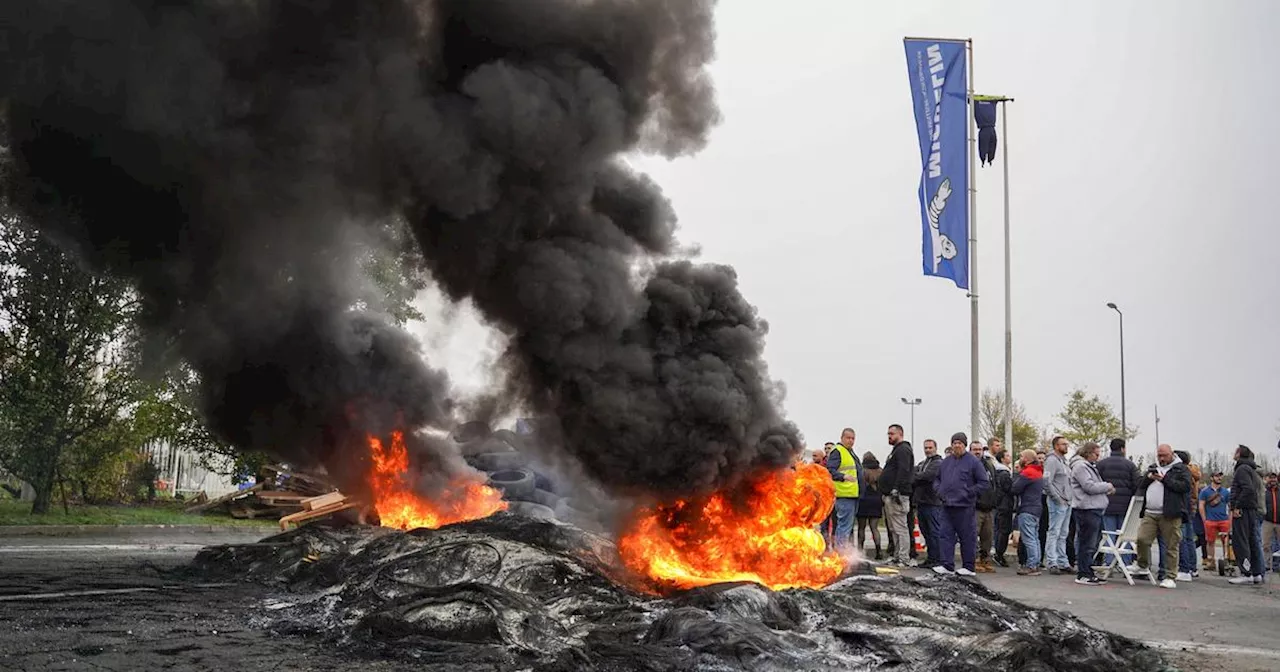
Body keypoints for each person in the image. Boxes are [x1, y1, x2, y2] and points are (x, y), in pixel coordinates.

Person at [1134, 444, 1192, 588]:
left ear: (1171, 454)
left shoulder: (1181, 469)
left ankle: (1170, 576)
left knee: (1171, 545)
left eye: (1164, 455)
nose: (1161, 458)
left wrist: (1164, 479)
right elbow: (1140, 485)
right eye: (1159, 455)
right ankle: (1142, 565)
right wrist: (1149, 477)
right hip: (1150, 512)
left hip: (1170, 513)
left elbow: (1184, 487)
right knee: (1142, 539)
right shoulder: (1154, 466)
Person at [932, 432, 991, 576]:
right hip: (946, 506)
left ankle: (969, 567)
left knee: (967, 537)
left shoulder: (973, 462)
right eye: (954, 443)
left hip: (965, 506)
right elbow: (936, 480)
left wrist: (968, 492)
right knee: (945, 535)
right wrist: (939, 490)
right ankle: (947, 565)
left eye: (960, 443)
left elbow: (983, 482)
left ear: (964, 445)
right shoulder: (945, 462)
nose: (957, 445)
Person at [1068, 442, 1115, 586]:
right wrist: (1107, 486)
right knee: (1087, 543)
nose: (1098, 457)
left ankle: (1088, 571)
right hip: (1087, 509)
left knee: (1091, 543)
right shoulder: (1081, 466)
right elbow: (1088, 486)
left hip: (1093, 508)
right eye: (1096, 454)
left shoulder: (1086, 466)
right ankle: (1083, 573)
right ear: (1087, 453)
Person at [1096, 438, 1142, 566]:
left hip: (1106, 504)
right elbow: (1137, 484)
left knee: (1109, 536)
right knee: (1125, 537)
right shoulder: (1130, 465)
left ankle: (1109, 563)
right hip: (1125, 506)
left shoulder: (1102, 464)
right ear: (1123, 449)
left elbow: (1096, 483)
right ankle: (1125, 563)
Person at [1227, 445, 1264, 585]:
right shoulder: (1251, 469)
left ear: (1240, 454)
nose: (1233, 453)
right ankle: (1256, 572)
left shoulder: (1242, 469)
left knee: (1241, 541)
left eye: (1235, 450)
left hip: (1243, 510)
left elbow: (1247, 489)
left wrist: (1237, 506)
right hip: (1251, 510)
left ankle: (1245, 572)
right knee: (1252, 540)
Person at [880, 424, 915, 566]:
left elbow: (904, 470)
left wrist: (896, 489)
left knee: (901, 528)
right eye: (888, 434)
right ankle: (897, 556)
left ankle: (904, 558)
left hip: (898, 496)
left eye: (892, 434)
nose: (889, 436)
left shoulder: (903, 450)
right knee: (894, 528)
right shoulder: (895, 451)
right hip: (890, 495)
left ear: (900, 434)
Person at [825, 428, 864, 551]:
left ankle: (843, 552)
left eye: (853, 438)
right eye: (848, 438)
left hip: (852, 494)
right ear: (842, 437)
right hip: (844, 495)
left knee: (847, 526)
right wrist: (843, 476)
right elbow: (830, 471)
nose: (851, 441)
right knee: (844, 526)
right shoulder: (838, 451)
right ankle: (840, 553)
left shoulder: (850, 452)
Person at [1010, 448, 1045, 575]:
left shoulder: (1028, 473)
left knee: (1029, 538)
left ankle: (1031, 566)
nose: (1020, 459)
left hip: (1027, 508)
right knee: (1035, 538)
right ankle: (1036, 563)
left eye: (1021, 456)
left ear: (1027, 459)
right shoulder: (1038, 472)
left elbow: (1015, 488)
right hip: (1036, 508)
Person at [1042, 436, 1073, 574]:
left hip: (1067, 501)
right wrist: (1057, 498)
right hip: (1058, 502)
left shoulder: (1064, 462)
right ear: (1056, 446)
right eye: (1063, 444)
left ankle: (1062, 561)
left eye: (1067, 444)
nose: (1066, 446)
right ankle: (1052, 562)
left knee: (1063, 533)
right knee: (1054, 531)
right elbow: (1046, 481)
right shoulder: (1052, 461)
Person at [913, 439, 944, 568]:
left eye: (930, 448)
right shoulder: (924, 462)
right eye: (926, 448)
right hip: (922, 502)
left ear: (935, 448)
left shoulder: (938, 463)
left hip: (933, 502)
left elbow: (926, 476)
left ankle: (937, 559)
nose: (928, 450)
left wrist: (915, 476)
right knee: (926, 532)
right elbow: (917, 474)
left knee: (934, 532)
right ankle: (931, 558)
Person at [1198, 471, 1231, 570]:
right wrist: (1205, 519)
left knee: (1225, 541)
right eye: (1217, 476)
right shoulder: (1205, 491)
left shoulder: (1225, 492)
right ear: (1212, 478)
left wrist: (1230, 520)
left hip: (1223, 520)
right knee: (1210, 541)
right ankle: (1211, 562)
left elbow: (1230, 506)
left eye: (1220, 476)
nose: (1219, 478)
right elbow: (1201, 505)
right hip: (1210, 520)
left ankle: (1225, 561)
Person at [990, 442, 1015, 568]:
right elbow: (1009, 489)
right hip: (1004, 505)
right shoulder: (1003, 473)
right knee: (1003, 530)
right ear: (1002, 459)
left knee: (1002, 530)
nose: (1010, 457)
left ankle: (999, 553)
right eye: (1008, 456)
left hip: (1003, 505)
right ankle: (999, 554)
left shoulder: (1002, 472)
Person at [856, 452, 884, 559]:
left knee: (861, 528)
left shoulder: (862, 470)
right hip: (876, 500)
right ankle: (879, 551)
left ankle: (859, 552)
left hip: (863, 500)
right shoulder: (880, 471)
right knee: (874, 528)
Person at [1262, 472, 1279, 574]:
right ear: (1266, 479)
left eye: (1274, 478)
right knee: (1266, 545)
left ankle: (1277, 565)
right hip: (1267, 521)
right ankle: (1267, 565)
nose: (1273, 480)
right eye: (1270, 478)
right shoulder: (1264, 492)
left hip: (1279, 522)